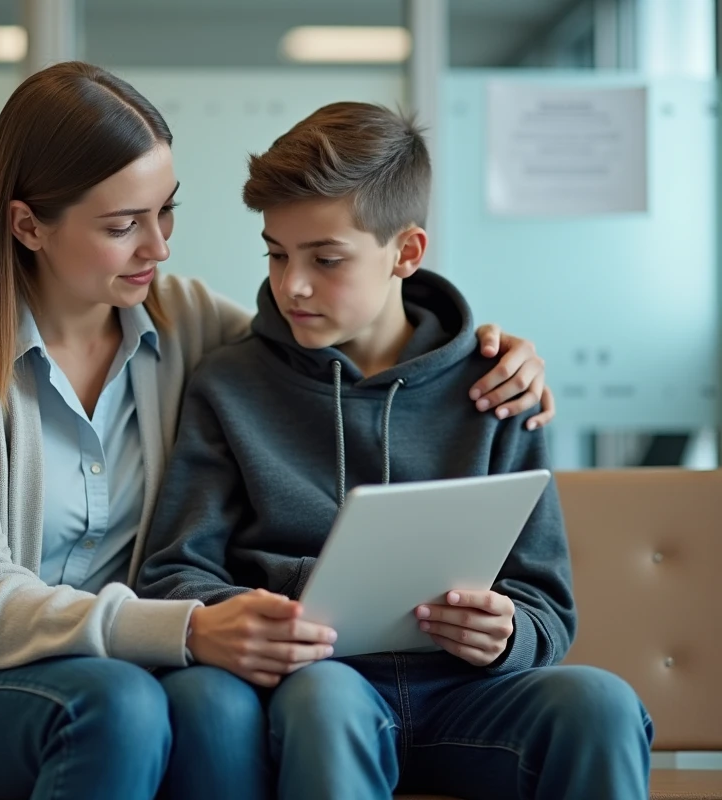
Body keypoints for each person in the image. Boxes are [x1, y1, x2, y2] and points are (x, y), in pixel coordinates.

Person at [0, 63, 557, 800]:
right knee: (120, 708)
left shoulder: (185, 322)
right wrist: (182, 630)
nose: (159, 247)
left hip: (122, 670)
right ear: (28, 226)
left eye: (164, 211)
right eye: (122, 226)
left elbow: (336, 350)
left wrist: (485, 353)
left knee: (200, 708)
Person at [136, 101, 652, 800]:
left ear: (407, 252)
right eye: (277, 253)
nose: (292, 284)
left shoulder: (496, 388)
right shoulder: (231, 386)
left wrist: (507, 632)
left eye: (326, 259)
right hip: (322, 685)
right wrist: (258, 614)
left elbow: (544, 603)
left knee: (601, 705)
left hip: (468, 695)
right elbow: (173, 574)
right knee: (326, 700)